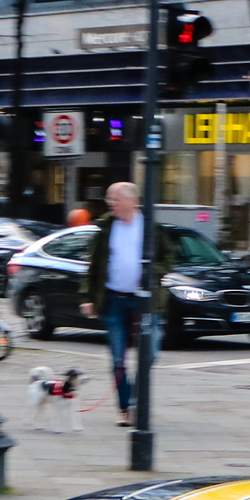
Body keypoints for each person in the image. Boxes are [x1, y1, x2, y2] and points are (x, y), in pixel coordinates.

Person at [81, 181, 163, 428]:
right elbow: (93, 264)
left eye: (114, 199)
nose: (110, 204)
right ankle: (125, 407)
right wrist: (87, 296)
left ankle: (137, 401)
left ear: (130, 200)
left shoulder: (149, 226)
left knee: (149, 353)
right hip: (114, 298)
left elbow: (169, 255)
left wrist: (153, 273)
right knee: (118, 358)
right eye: (108, 200)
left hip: (144, 300)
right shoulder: (107, 227)